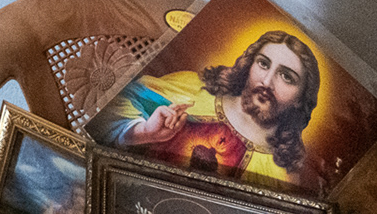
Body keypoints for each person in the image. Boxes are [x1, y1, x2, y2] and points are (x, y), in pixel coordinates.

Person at [93, 32, 322, 189]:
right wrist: (142, 131)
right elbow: (100, 115)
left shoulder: (279, 176)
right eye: (263, 63)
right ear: (249, 64)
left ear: (300, 99)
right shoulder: (191, 88)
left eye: (286, 77)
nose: (267, 81)